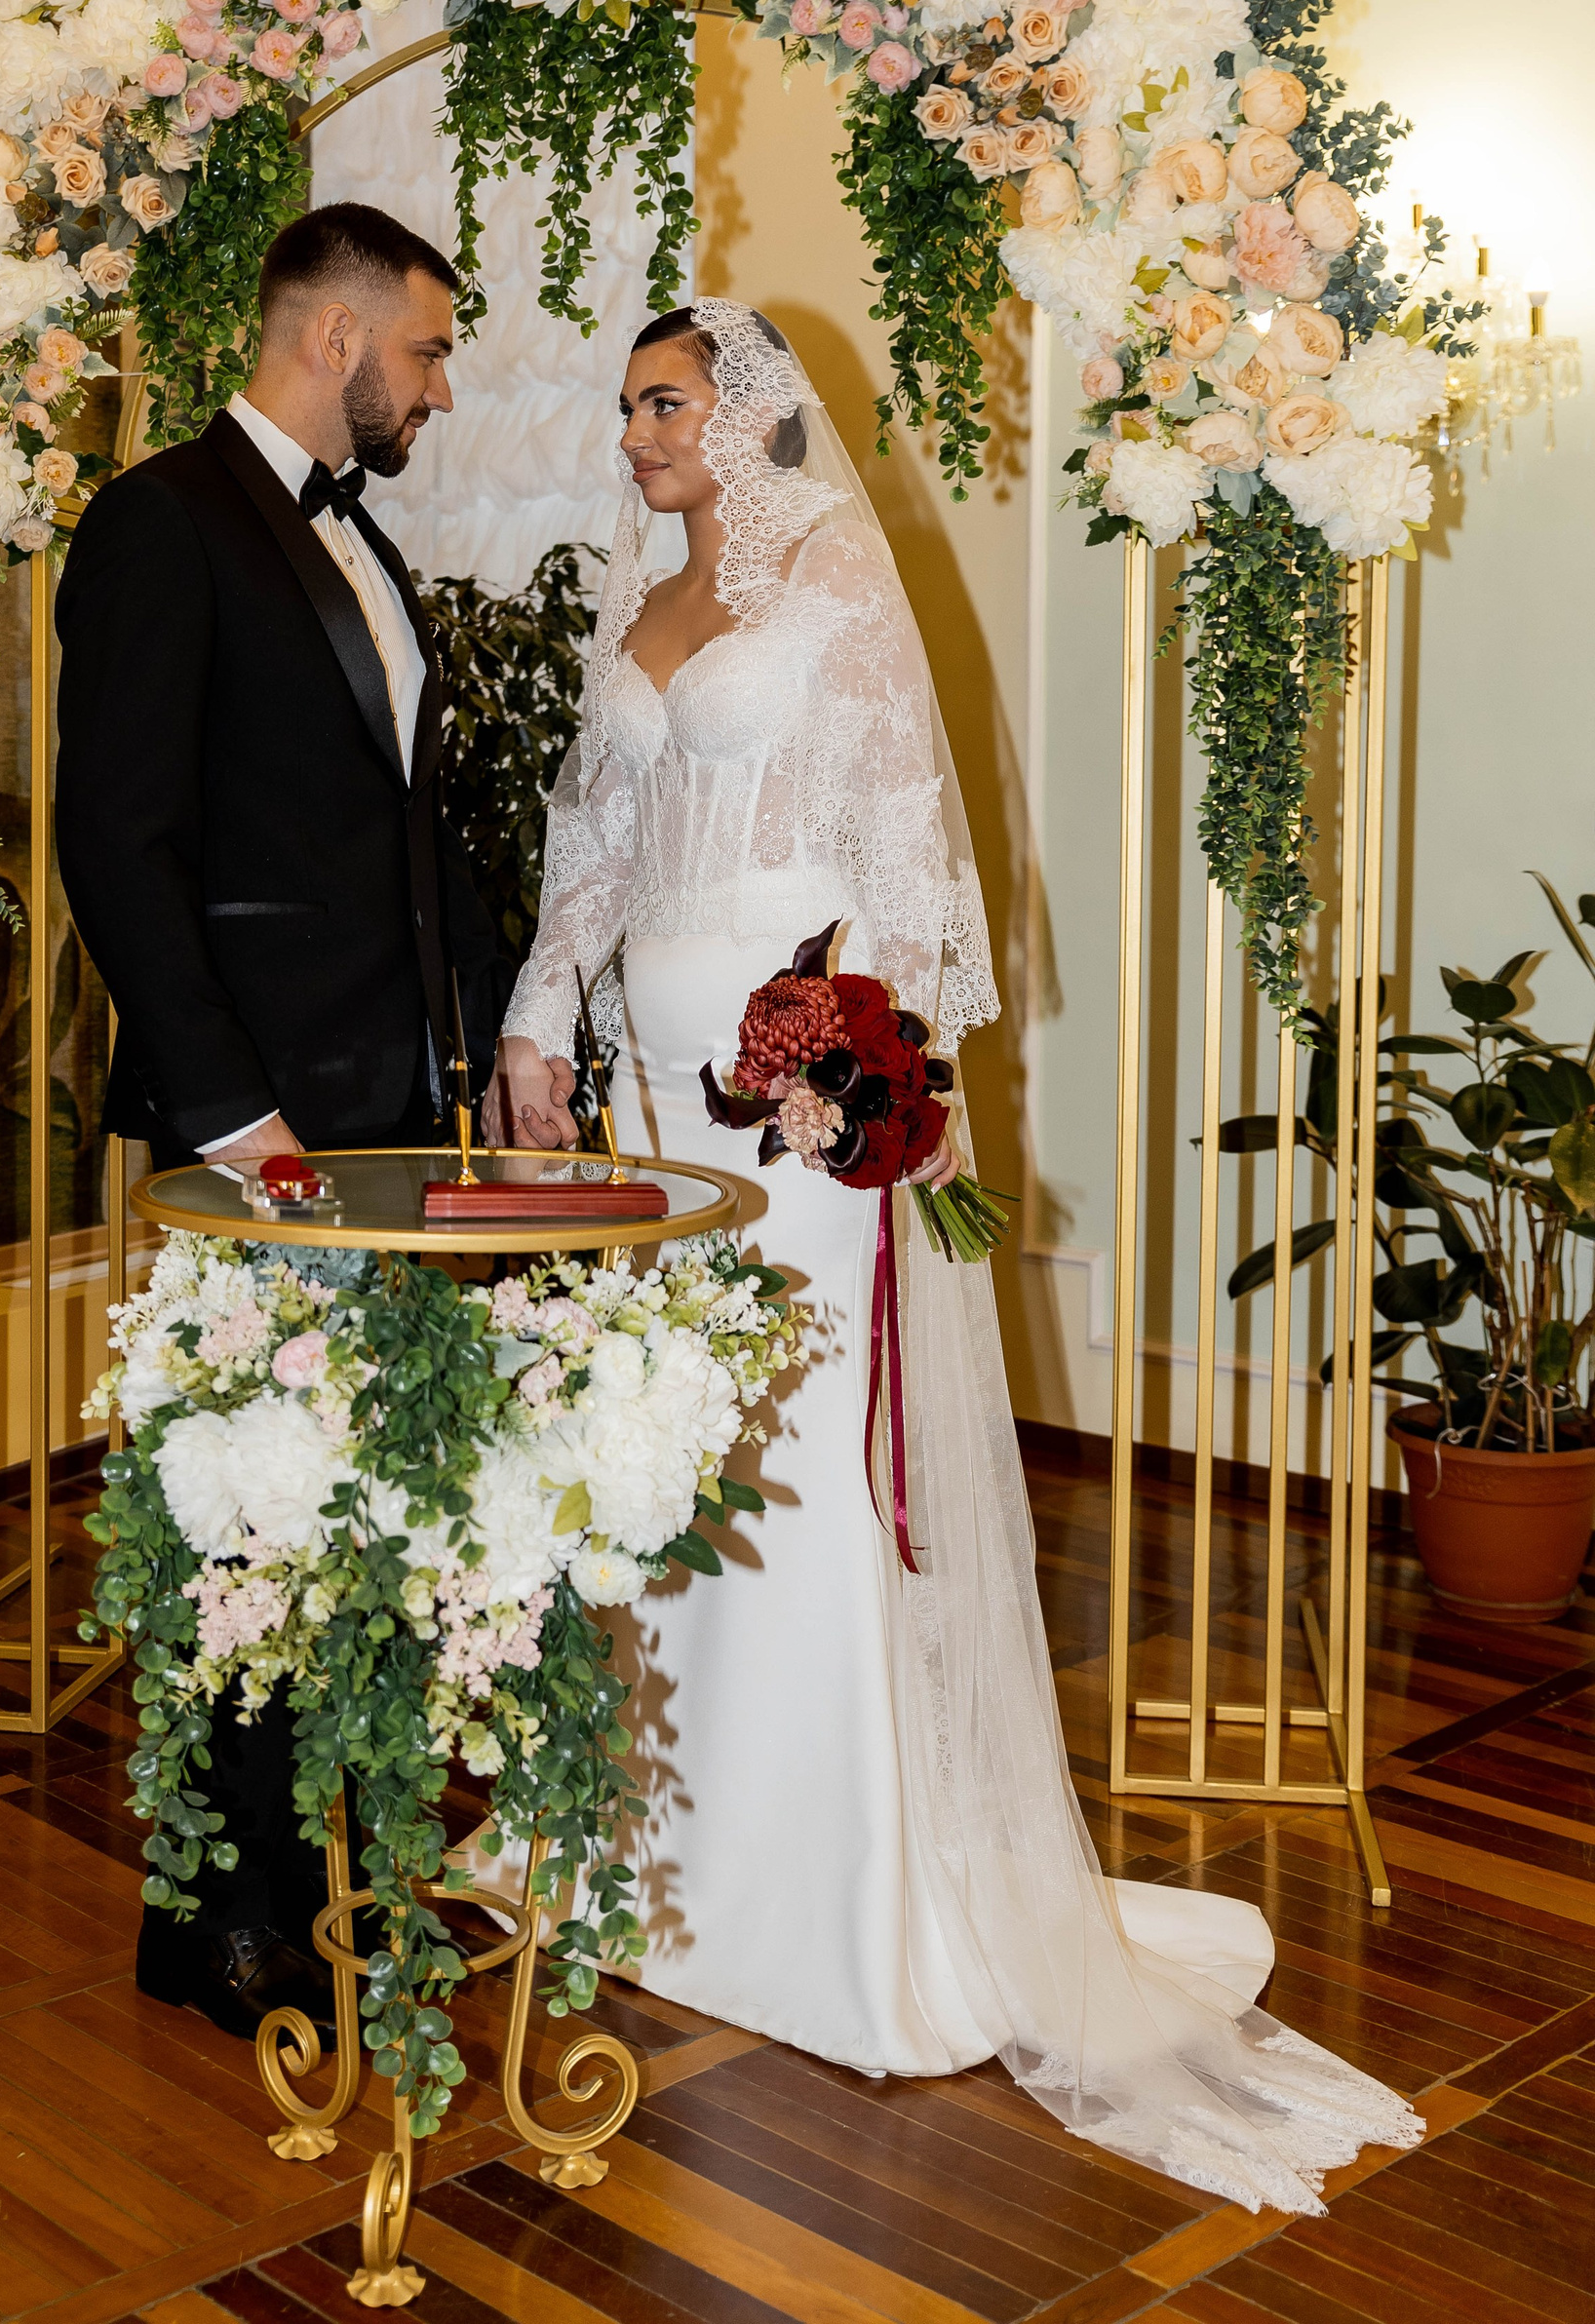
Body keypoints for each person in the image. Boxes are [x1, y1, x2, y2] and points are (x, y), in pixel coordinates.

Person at [484, 297, 1421, 2214]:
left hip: (795, 1093)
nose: (637, 434)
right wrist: (535, 1017)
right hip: (655, 1099)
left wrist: (859, 1066)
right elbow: (595, 835)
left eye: (666, 403)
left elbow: (908, 866)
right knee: (663, 1441)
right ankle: (656, 1842)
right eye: (631, 406)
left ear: (751, 415)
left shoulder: (837, 584)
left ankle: (833, 1885)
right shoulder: (637, 600)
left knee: (804, 1443)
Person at [56, 199, 495, 2045]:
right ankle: (218, 1922)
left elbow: (396, 838)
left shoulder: (358, 538)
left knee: (361, 1498)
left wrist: (484, 1044)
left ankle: (345, 1875)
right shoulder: (161, 521)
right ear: (335, 337)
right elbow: (115, 838)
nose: (438, 388)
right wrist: (233, 1113)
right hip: (256, 1129)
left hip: (385, 1108)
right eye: (427, 349)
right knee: (245, 1513)